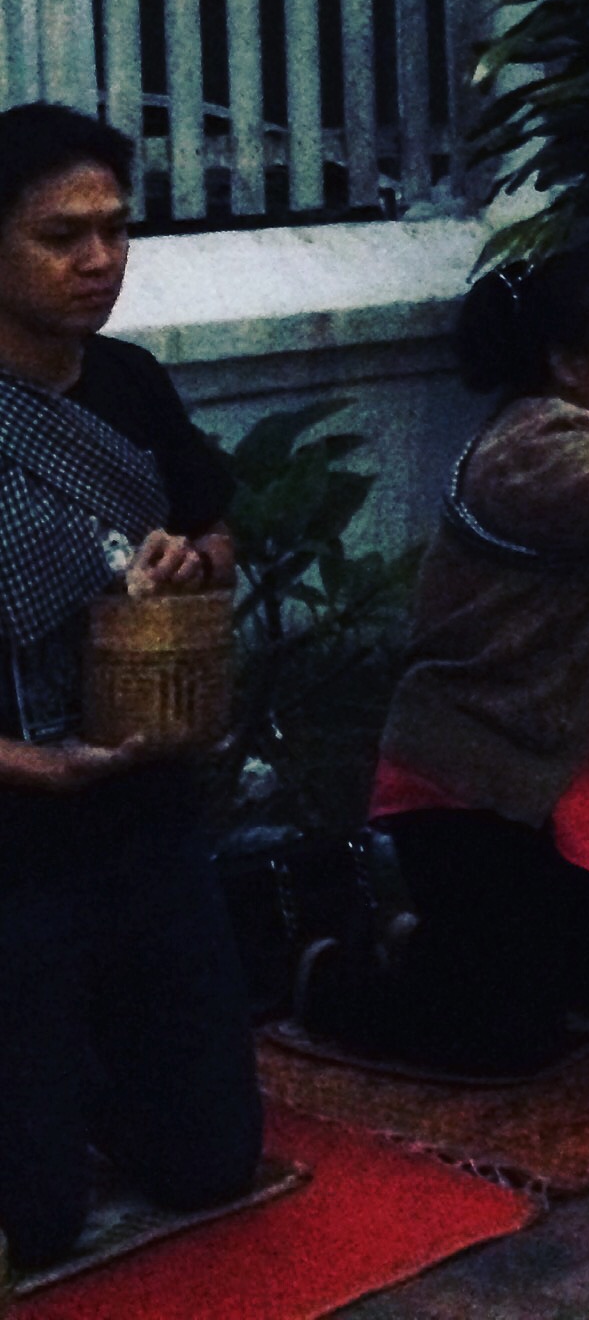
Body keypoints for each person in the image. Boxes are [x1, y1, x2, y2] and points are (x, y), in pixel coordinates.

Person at [301, 253, 589, 1075]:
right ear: (563, 361)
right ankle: (335, 977)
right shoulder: (528, 447)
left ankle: (456, 943)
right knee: (507, 1036)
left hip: (562, 780)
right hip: (477, 783)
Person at [0, 104, 263, 1273]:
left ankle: (91, 1069)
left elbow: (215, 533)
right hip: (12, 834)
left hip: (144, 799)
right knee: (36, 1222)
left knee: (211, 1163)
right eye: (62, 236)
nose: (99, 260)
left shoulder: (131, 383)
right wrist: (32, 765)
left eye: (115, 230)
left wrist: (190, 562)